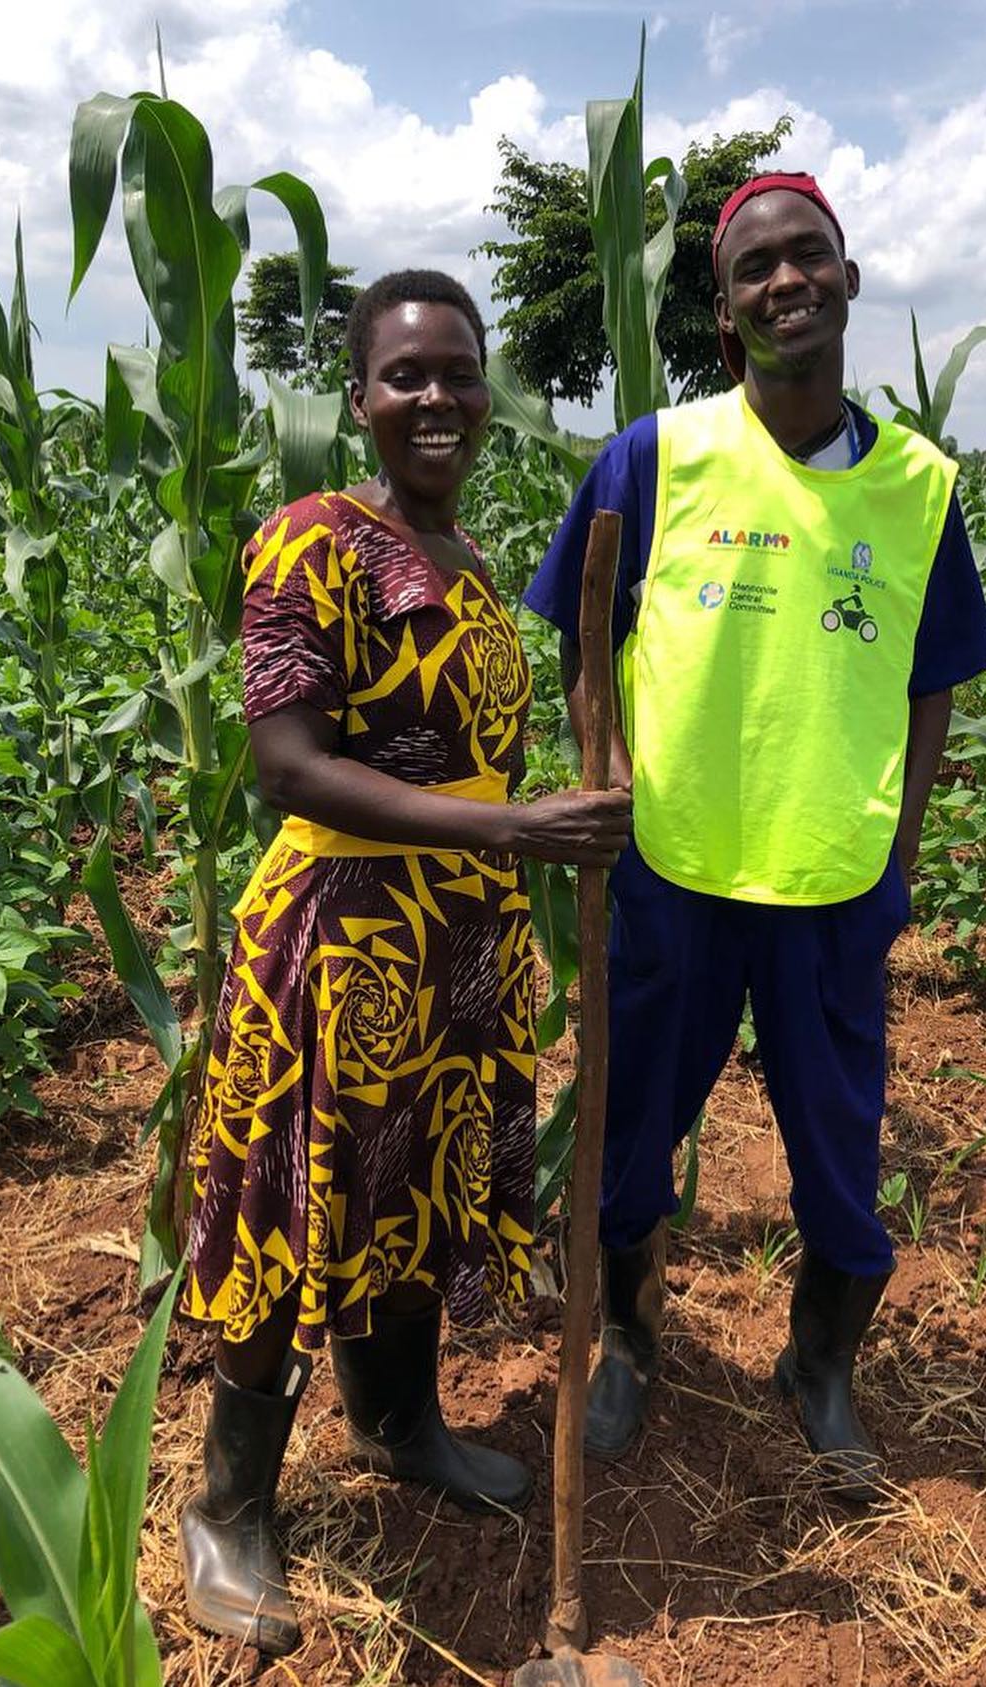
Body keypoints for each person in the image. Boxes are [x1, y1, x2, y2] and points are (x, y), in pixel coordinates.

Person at [524, 174, 986, 1501]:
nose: (785, 281)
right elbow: (589, 640)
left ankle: (818, 1365)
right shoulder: (653, 456)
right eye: (755, 271)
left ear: (847, 280)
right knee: (629, 1137)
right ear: (726, 315)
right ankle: (628, 1338)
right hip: (669, 874)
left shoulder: (915, 488)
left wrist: (895, 863)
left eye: (809, 258)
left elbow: (928, 682)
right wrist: (602, 793)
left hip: (832, 882)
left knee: (840, 1147)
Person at [178, 270, 631, 1654]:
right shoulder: (310, 542)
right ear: (359, 398)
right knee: (293, 1197)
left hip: (458, 938)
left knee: (421, 1183)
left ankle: (397, 1423)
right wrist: (513, 824)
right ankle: (227, 1510)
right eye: (404, 377)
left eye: (458, 372)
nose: (436, 399)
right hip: (336, 934)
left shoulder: (475, 567)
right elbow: (288, 767)